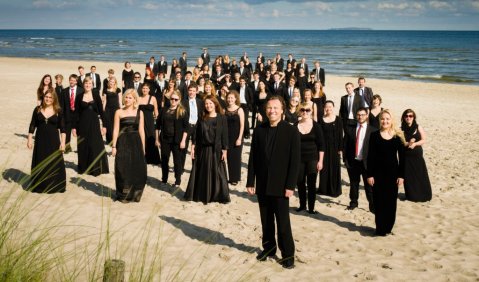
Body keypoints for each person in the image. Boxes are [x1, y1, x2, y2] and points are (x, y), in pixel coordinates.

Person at [246, 96, 300, 269]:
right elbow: (253, 157)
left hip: (281, 185)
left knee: (283, 222)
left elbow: (294, 161)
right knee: (266, 220)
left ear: (282, 110)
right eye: (269, 107)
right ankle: (269, 249)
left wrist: (291, 186)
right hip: (262, 183)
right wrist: (250, 180)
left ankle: (288, 254)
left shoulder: (291, 131)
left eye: (275, 108)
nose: (272, 111)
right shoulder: (259, 130)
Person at [184, 95, 230, 204]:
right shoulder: (202, 117)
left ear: (215, 104)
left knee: (217, 173)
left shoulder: (221, 117)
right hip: (203, 149)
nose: (208, 105)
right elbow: (196, 133)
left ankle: (216, 195)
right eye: (206, 104)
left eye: (210, 103)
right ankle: (202, 194)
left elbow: (225, 135)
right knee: (202, 172)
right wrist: (193, 146)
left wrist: (225, 150)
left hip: (216, 150)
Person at [367, 109, 405, 236]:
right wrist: (369, 175)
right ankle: (380, 228)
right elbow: (370, 157)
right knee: (379, 202)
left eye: (387, 119)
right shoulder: (374, 135)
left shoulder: (397, 136)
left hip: (393, 175)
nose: (385, 121)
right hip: (377, 175)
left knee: (390, 202)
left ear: (391, 120)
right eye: (383, 119)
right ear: (379, 120)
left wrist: (401, 176)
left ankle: (388, 227)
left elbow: (402, 158)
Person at [27, 90, 66, 193]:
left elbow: (63, 129)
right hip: (40, 141)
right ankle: (40, 186)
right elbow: (32, 125)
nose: (48, 99)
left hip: (54, 142)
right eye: (46, 97)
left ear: (54, 99)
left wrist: (63, 143)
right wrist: (29, 139)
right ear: (43, 97)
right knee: (40, 160)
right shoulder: (38, 109)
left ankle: (54, 186)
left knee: (54, 162)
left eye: (50, 97)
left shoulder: (58, 110)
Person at [111, 89, 146, 203]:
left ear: (135, 99)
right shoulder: (118, 112)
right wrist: (114, 146)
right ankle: (124, 194)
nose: (127, 99)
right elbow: (116, 130)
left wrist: (143, 147)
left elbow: (141, 130)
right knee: (122, 168)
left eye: (130, 97)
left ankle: (134, 194)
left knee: (135, 168)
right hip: (123, 142)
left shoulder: (139, 112)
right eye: (126, 97)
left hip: (136, 142)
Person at [72, 77, 109, 176]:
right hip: (82, 125)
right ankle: (83, 168)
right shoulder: (79, 96)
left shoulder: (96, 96)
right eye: (86, 83)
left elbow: (101, 112)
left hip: (94, 124)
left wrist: (104, 126)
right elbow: (76, 113)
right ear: (83, 85)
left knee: (95, 145)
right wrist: (74, 127)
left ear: (92, 85)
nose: (88, 85)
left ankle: (95, 168)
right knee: (83, 145)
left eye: (90, 83)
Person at [343, 107, 377, 212]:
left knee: (369, 186)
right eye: (358, 114)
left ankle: (372, 206)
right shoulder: (350, 128)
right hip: (353, 162)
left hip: (367, 163)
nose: (360, 116)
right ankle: (353, 203)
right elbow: (345, 144)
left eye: (362, 114)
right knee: (354, 184)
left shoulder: (373, 130)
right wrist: (345, 160)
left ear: (366, 115)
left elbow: (375, 149)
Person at [295, 102, 324, 214]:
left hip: (313, 158)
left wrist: (320, 161)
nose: (305, 112)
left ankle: (311, 208)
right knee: (300, 182)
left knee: (311, 183)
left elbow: (322, 145)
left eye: (307, 110)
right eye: (302, 110)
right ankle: (302, 205)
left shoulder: (316, 126)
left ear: (311, 111)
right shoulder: (295, 125)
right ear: (299, 111)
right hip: (299, 159)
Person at [157, 91, 188, 186]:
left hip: (177, 140)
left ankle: (177, 181)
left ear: (179, 100)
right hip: (165, 139)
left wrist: (183, 141)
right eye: (172, 99)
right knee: (164, 160)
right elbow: (157, 126)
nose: (173, 101)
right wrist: (157, 139)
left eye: (176, 99)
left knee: (177, 161)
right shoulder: (163, 110)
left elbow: (186, 128)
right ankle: (164, 179)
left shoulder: (182, 111)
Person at [401, 109, 432, 202]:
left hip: (417, 155)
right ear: (403, 117)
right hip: (406, 156)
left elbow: (424, 140)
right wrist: (408, 143)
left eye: (410, 116)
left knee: (420, 174)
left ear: (413, 117)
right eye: (406, 116)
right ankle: (411, 195)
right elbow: (401, 142)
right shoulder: (401, 128)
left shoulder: (418, 127)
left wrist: (415, 144)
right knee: (409, 176)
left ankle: (424, 194)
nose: (408, 118)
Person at [318, 100, 343, 197]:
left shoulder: (338, 119)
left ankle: (334, 190)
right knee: (324, 168)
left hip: (335, 147)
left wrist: (340, 148)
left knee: (334, 168)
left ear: (333, 108)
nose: (328, 108)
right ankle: (323, 189)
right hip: (323, 147)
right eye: (326, 107)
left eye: (330, 107)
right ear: (324, 108)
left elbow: (341, 134)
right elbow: (319, 135)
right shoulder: (321, 119)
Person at [225, 91, 245, 185]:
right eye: (228, 98)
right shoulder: (225, 110)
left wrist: (239, 138)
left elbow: (242, 125)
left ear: (236, 98)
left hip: (237, 136)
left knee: (236, 157)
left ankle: (235, 178)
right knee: (228, 157)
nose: (230, 100)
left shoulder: (240, 110)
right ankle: (230, 177)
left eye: (232, 98)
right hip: (227, 136)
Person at [138, 83, 161, 165]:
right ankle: (143, 156)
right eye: (143, 88)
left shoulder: (153, 98)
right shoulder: (138, 98)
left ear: (149, 89)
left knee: (151, 137)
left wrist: (157, 121)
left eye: (146, 88)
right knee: (141, 137)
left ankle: (153, 159)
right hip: (140, 121)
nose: (144, 90)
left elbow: (156, 110)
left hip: (150, 121)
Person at [61, 74, 83, 153]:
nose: (72, 82)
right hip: (68, 114)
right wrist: (62, 116)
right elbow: (62, 105)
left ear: (76, 81)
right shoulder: (64, 91)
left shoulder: (81, 90)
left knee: (79, 132)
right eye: (71, 80)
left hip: (78, 115)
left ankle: (80, 148)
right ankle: (67, 147)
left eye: (74, 80)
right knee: (67, 132)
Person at [102, 77, 122, 145]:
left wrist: (121, 109)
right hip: (108, 109)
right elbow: (105, 101)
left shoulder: (118, 90)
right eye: (110, 82)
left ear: (115, 83)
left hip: (116, 109)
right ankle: (109, 139)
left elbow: (120, 100)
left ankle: (115, 139)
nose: (111, 83)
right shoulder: (105, 90)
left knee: (115, 124)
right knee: (108, 124)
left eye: (113, 82)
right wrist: (103, 109)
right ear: (108, 82)